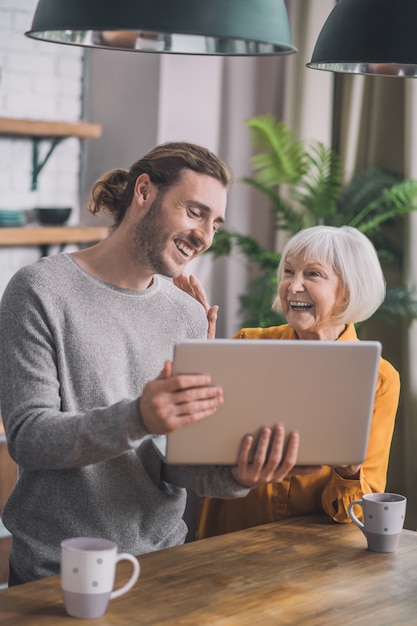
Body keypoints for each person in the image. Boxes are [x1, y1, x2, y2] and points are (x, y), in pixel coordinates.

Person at [0, 142, 320, 585]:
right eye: (195, 212)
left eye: (215, 223)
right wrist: (138, 417)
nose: (205, 235)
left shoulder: (186, 313)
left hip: (163, 564)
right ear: (145, 192)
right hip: (58, 571)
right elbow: (29, 439)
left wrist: (236, 475)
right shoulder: (39, 291)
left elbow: (175, 459)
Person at [184, 225, 400, 539]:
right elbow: (197, 455)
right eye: (288, 272)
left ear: (349, 290)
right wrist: (199, 369)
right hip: (228, 543)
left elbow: (356, 513)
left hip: (313, 556)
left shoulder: (379, 380)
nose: (293, 286)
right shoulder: (246, 345)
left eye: (313, 274)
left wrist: (349, 471)